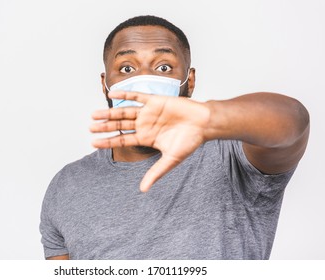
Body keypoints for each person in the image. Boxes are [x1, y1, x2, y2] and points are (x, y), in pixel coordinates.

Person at [40, 15, 310, 260]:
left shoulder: (233, 157)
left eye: (163, 68)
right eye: (126, 69)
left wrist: (210, 118)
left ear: (189, 82)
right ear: (105, 83)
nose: (144, 80)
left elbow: (294, 122)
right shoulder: (67, 186)